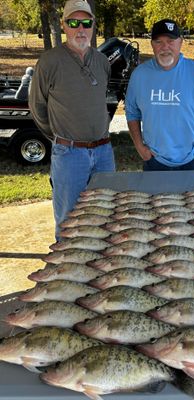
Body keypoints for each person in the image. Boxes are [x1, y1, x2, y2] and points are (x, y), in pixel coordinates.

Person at [29, 0, 115, 240]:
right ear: (64, 25)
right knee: (69, 220)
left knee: (105, 216)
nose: (81, 29)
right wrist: (60, 137)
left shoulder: (102, 62)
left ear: (93, 26)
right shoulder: (49, 62)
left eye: (86, 23)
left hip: (104, 152)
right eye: (73, 22)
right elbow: (37, 106)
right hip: (69, 154)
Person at [125, 18, 194, 171]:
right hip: (154, 161)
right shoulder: (139, 75)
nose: (165, 47)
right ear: (151, 44)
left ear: (180, 42)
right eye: (158, 42)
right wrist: (140, 148)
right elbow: (132, 113)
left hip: (190, 161)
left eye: (170, 41)